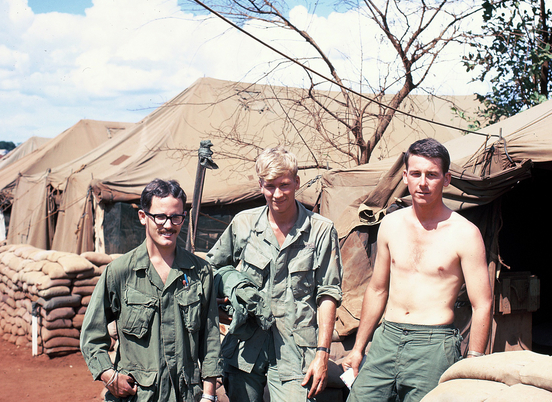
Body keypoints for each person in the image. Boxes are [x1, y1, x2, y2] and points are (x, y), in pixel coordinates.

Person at [343, 138, 493, 402]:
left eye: (432, 175)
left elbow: (482, 303)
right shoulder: (390, 224)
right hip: (385, 339)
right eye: (416, 174)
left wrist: (473, 362)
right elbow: (377, 289)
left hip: (433, 344)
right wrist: (358, 348)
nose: (423, 182)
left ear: (446, 179)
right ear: (405, 176)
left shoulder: (465, 233)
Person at [207, 146, 343, 402]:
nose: (277, 194)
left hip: (295, 351)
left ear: (297, 182)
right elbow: (211, 270)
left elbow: (328, 293)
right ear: (260, 185)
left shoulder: (320, 231)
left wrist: (323, 353)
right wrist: (235, 285)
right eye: (270, 186)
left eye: (285, 185)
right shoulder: (243, 224)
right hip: (246, 346)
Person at [80, 179, 222, 402]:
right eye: (160, 216)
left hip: (185, 395)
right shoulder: (120, 272)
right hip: (138, 396)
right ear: (143, 217)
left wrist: (208, 395)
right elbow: (91, 335)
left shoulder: (201, 272)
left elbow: (211, 340)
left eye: (176, 217)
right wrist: (108, 375)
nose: (168, 225)